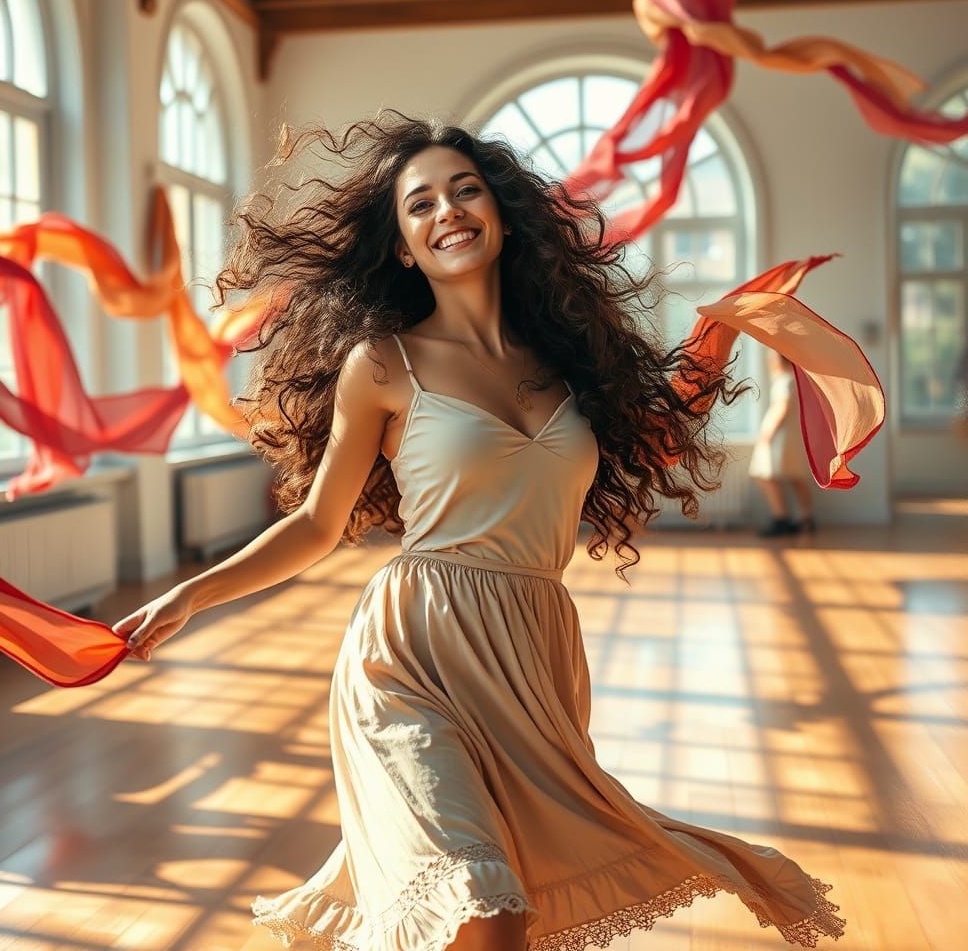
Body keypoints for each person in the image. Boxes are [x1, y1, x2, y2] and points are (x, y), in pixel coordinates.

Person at [112, 111, 844, 950]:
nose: (447, 211)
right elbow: (317, 523)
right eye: (420, 204)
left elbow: (656, 440)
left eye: (465, 191)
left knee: (510, 918)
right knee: (480, 905)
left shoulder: (569, 362)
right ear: (402, 247)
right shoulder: (382, 364)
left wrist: (724, 329)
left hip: (533, 658)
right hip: (411, 657)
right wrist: (191, 595)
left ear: (502, 216)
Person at [748, 348, 816, 537]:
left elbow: (783, 407)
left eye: (772, 357)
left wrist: (768, 432)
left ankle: (782, 518)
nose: (769, 360)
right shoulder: (789, 380)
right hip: (787, 435)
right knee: (793, 476)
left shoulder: (786, 381)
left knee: (768, 475)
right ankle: (804, 518)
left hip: (780, 436)